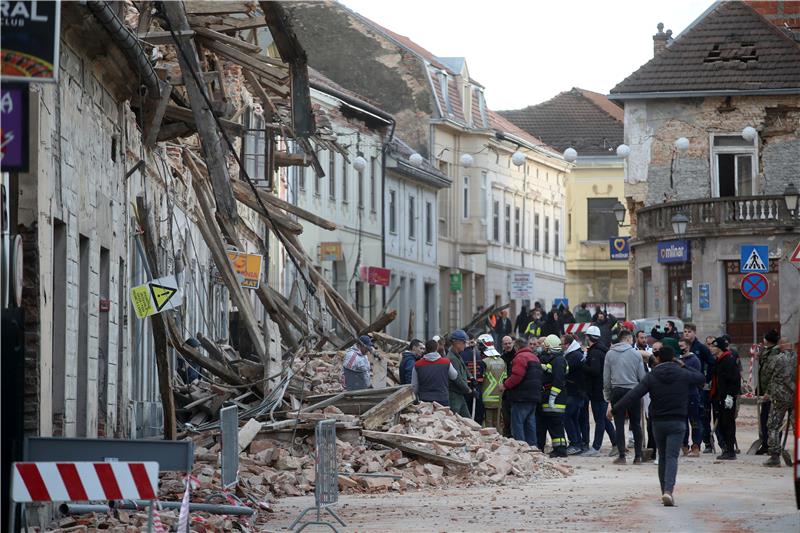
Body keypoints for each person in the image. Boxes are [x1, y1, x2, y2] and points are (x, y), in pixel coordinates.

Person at [612, 346, 705, 507]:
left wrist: (615, 409)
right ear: (673, 358)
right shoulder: (682, 373)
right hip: (677, 421)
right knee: (671, 457)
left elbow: (634, 394)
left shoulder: (652, 376)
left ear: (659, 359)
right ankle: (668, 491)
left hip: (658, 422)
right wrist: (683, 364)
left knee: (662, 456)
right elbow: (700, 378)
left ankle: (664, 491)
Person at [604, 328, 647, 464]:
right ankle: (638, 456)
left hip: (617, 390)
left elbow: (606, 378)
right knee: (636, 424)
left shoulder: (610, 354)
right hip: (633, 391)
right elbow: (642, 377)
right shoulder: (636, 354)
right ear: (629, 339)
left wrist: (608, 396)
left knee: (619, 423)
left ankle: (622, 455)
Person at [760, 330, 796, 467]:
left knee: (773, 426)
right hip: (795, 398)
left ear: (780, 345)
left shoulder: (776, 359)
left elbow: (766, 375)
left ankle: (774, 457)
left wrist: (767, 391)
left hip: (779, 398)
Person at [499, 338, 543, 447]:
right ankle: (533, 448)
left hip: (521, 398)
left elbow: (516, 376)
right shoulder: (535, 357)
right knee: (530, 424)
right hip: (534, 397)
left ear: (517, 347)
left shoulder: (520, 357)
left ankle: (521, 448)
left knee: (517, 424)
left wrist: (504, 385)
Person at [583, 326, 616, 456]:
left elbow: (595, 371)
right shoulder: (600, 350)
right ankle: (616, 444)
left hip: (598, 390)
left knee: (600, 420)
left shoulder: (596, 352)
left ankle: (596, 447)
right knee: (603, 419)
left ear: (588, 337)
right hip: (600, 389)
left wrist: (583, 364)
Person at [683, 323, 715, 454]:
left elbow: (712, 363)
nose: (687, 334)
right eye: (685, 331)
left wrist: (706, 380)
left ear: (694, 333)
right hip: (683, 388)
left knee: (697, 418)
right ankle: (684, 444)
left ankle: (698, 444)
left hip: (697, 388)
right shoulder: (681, 348)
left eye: (689, 331)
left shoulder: (701, 348)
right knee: (683, 418)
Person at [537, 334, 569, 457]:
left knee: (556, 426)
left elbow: (558, 381)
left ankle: (560, 450)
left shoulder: (559, 360)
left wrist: (552, 398)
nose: (543, 348)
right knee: (553, 425)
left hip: (556, 399)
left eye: (545, 346)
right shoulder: (556, 360)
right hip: (552, 397)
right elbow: (550, 371)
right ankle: (559, 449)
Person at [709, 336, 740, 460]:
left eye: (714, 347)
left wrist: (729, 396)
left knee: (728, 424)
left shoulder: (728, 360)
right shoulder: (719, 360)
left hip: (727, 398)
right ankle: (726, 449)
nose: (711, 349)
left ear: (720, 348)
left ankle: (730, 451)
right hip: (719, 396)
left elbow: (734, 380)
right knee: (721, 423)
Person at [563, 333, 589, 455]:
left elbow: (565, 371)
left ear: (567, 344)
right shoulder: (577, 354)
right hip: (578, 392)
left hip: (575, 392)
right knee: (573, 418)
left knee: (567, 416)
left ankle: (575, 443)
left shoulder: (573, 356)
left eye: (562, 344)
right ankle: (578, 442)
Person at [411, 339, 459, 404]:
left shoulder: (417, 365)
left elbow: (414, 386)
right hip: (442, 398)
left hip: (424, 400)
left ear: (426, 349)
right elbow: (454, 376)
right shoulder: (446, 362)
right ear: (437, 348)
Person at [678, 337, 703, 457]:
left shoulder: (694, 360)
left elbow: (696, 377)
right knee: (682, 423)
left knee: (695, 422)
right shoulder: (678, 359)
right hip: (681, 395)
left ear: (688, 347)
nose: (680, 348)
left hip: (692, 395)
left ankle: (696, 446)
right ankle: (684, 446)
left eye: (682, 346)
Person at [479, 333, 507, 430]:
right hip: (499, 397)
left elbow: (480, 380)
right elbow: (505, 378)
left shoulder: (484, 362)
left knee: (489, 423)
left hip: (487, 398)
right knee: (498, 423)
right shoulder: (502, 361)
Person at [446, 330, 474, 418]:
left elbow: (464, 367)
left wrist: (471, 377)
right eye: (463, 342)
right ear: (456, 342)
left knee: (467, 420)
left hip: (459, 394)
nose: (465, 345)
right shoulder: (452, 358)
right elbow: (457, 379)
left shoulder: (456, 355)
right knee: (455, 420)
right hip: (454, 396)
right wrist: (469, 390)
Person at [461, 333, 485, 424]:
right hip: (476, 386)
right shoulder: (478, 353)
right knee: (477, 414)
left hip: (467, 387)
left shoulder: (462, 354)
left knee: (468, 413)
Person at [501, 335, 517, 437]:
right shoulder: (501, 358)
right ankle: (508, 436)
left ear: (513, 343)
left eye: (509, 343)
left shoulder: (517, 356)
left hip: (515, 391)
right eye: (505, 344)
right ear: (502, 345)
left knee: (515, 418)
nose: (508, 345)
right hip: (505, 393)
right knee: (506, 418)